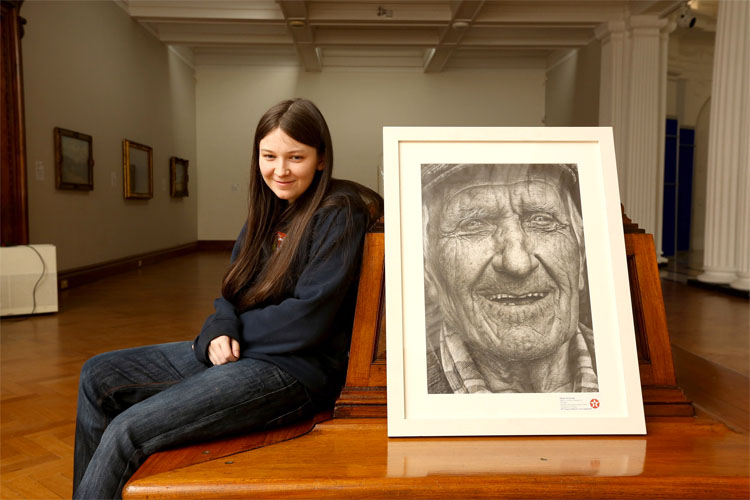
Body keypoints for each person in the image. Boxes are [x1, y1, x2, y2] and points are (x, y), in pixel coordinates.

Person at [72, 98, 382, 499]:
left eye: (296, 157)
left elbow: (309, 320)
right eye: (269, 156)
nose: (280, 170)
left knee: (126, 432)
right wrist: (219, 328)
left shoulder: (339, 214)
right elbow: (232, 290)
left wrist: (229, 334)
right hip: (245, 351)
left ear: (321, 160)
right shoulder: (267, 211)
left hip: (294, 372)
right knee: (97, 375)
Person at [421, 163, 597, 394]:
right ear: (429, 271)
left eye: (542, 219)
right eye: (473, 224)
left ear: (581, 259)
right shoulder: (408, 386)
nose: (517, 263)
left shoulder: (625, 375)